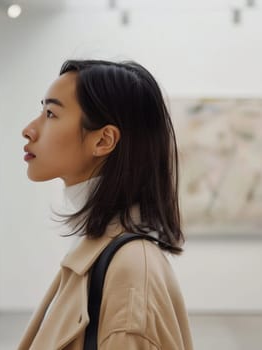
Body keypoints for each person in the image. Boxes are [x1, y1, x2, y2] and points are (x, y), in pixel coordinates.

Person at [18, 59, 194, 349]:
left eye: (50, 113)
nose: (29, 129)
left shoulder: (131, 272)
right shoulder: (97, 249)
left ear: (103, 140)